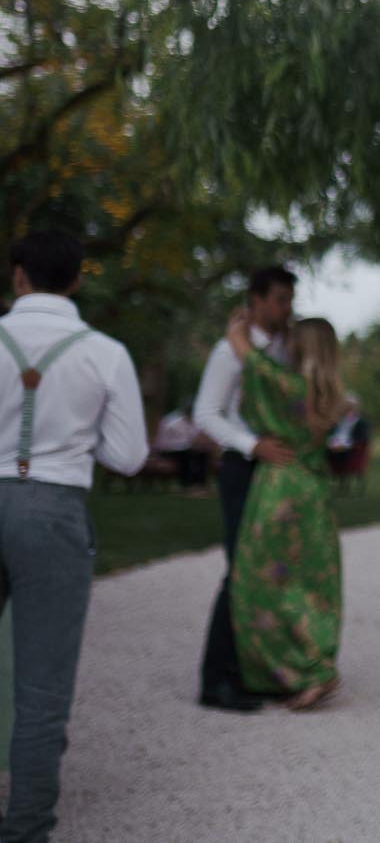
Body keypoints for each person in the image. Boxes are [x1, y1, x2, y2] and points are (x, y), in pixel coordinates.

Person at [0, 230, 147, 841]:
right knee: (41, 690)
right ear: (78, 279)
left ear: (17, 277)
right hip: (54, 510)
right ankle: (26, 832)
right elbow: (130, 455)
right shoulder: (105, 353)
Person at [224, 309, 345, 711]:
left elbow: (251, 360)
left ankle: (295, 671)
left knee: (264, 581)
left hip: (282, 488)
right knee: (312, 583)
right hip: (314, 492)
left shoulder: (290, 388)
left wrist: (237, 329)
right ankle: (315, 663)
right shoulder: (332, 396)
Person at [193, 264, 296, 712]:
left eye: (290, 300)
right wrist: (252, 445)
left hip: (277, 471)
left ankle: (256, 670)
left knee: (267, 572)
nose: (286, 308)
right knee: (240, 570)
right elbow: (206, 413)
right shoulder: (228, 352)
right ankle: (216, 679)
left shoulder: (286, 350)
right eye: (279, 299)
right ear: (255, 301)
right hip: (243, 467)